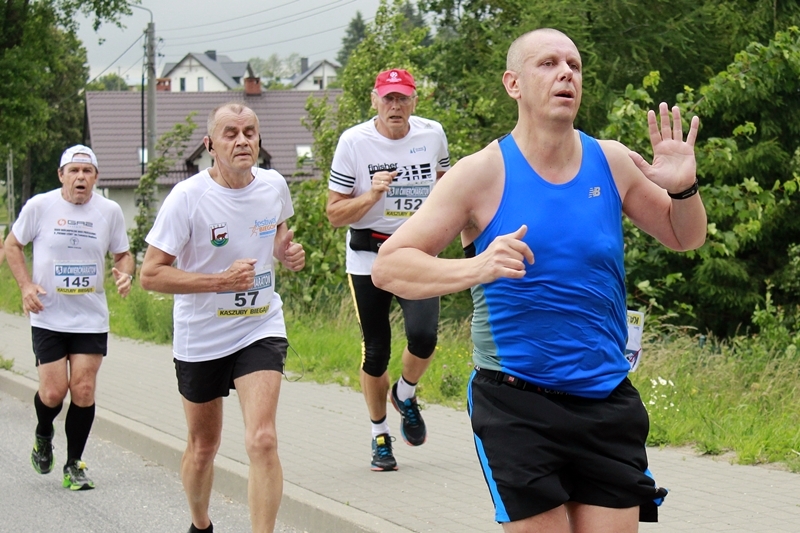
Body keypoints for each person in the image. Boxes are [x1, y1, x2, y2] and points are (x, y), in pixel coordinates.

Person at [372, 29, 707, 532]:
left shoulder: (612, 161)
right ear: (513, 83)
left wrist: (683, 190)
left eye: (574, 65)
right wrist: (477, 267)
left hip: (605, 396)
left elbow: (686, 237)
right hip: (516, 402)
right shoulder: (480, 173)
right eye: (548, 63)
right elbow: (389, 266)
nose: (566, 73)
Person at [140, 102, 305, 533]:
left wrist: (286, 253)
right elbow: (150, 274)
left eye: (250, 132)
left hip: (259, 324)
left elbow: (277, 236)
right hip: (202, 336)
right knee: (203, 447)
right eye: (230, 133)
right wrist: (218, 282)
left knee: (262, 439)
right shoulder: (187, 199)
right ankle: (200, 524)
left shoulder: (273, 185)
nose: (242, 140)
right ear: (210, 145)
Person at [327, 68, 451, 471]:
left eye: (402, 98)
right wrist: (371, 195)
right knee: (376, 351)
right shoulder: (354, 142)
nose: (395, 106)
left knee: (424, 337)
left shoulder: (432, 134)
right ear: (374, 100)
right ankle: (379, 435)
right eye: (388, 98)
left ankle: (406, 393)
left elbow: (447, 186)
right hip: (369, 256)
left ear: (414, 101)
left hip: (416, 252)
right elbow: (334, 213)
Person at [4, 145, 134, 491]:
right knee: (52, 392)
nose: (80, 177)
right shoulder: (40, 206)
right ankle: (43, 433)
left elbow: (123, 254)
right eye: (73, 171)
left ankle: (74, 464)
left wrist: (125, 273)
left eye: (87, 171)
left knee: (84, 389)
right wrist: (25, 286)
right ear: (61, 175)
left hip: (90, 317)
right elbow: (12, 245)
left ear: (96, 177)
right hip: (48, 314)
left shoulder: (109, 211)